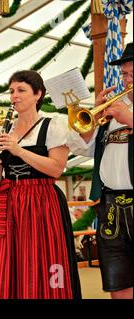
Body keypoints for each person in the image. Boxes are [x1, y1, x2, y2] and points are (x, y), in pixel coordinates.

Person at [0, 70, 81, 299]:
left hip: (41, 202)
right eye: (12, 91)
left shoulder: (53, 125)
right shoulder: (1, 130)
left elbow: (56, 168)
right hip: (9, 202)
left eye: (21, 90)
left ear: (38, 94)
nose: (14, 96)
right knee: (11, 261)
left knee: (45, 259)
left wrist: (18, 150)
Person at [67, 42, 133, 299]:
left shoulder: (124, 112)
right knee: (117, 285)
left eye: (132, 74)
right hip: (111, 206)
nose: (128, 80)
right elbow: (83, 147)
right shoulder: (114, 110)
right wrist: (92, 121)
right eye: (125, 74)